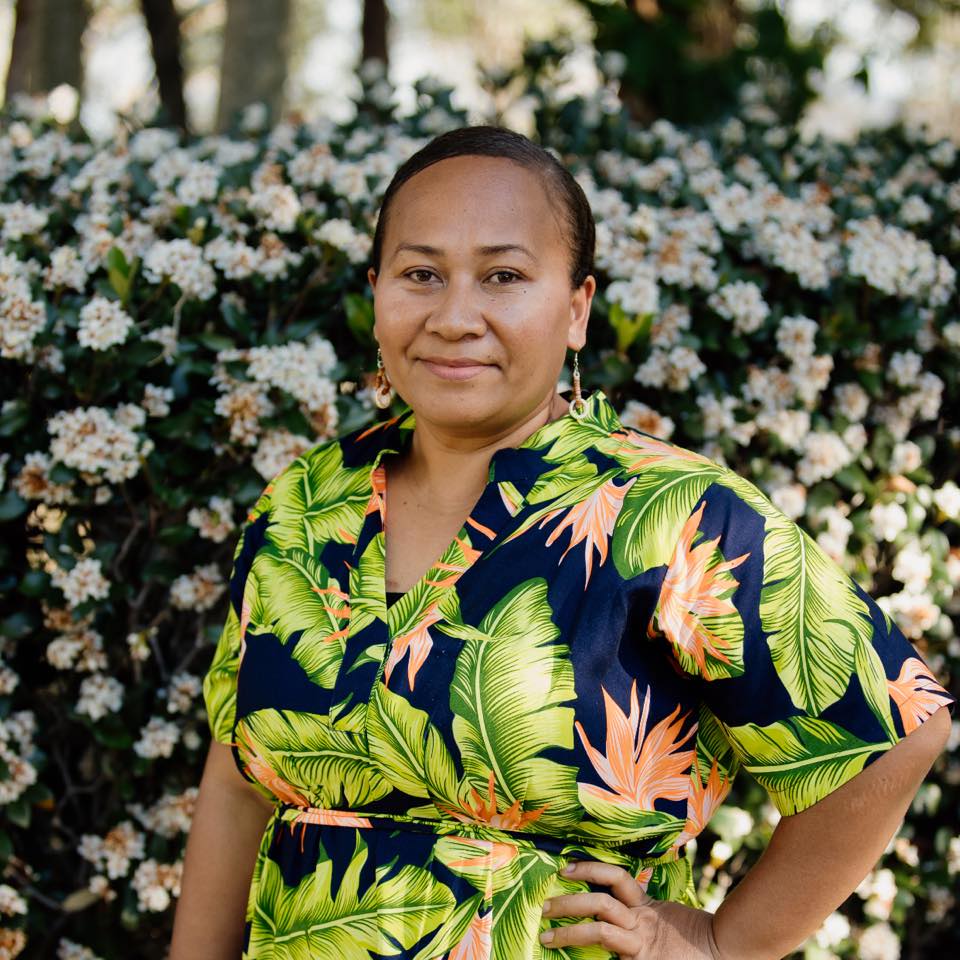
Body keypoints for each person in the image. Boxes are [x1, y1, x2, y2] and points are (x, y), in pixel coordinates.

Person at [170, 125, 954, 960]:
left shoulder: (670, 513)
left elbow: (898, 731)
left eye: (503, 276)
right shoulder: (302, 506)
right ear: (377, 294)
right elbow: (236, 780)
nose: (454, 316)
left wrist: (725, 943)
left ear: (576, 308)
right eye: (420, 274)